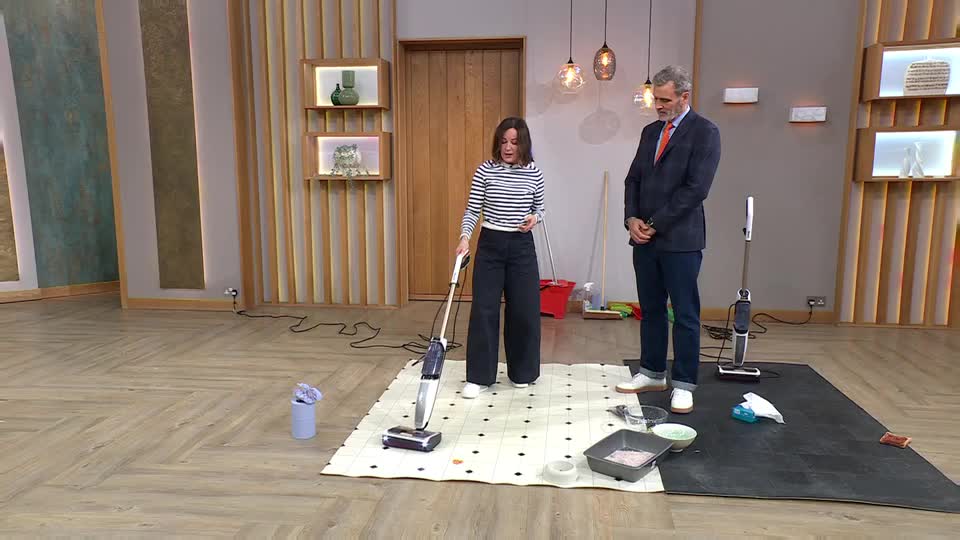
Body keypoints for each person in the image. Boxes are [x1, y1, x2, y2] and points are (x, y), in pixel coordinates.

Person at [616, 65, 721, 414]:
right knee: (651, 310)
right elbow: (633, 179)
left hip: (681, 240)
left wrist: (654, 223)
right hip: (644, 239)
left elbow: (696, 189)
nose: (658, 106)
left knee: (685, 313)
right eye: (655, 100)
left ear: (684, 97)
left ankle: (684, 384)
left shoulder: (705, 132)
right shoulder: (650, 132)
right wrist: (632, 219)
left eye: (664, 100)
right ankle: (651, 372)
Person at [456, 117, 545, 399]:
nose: (508, 147)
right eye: (504, 141)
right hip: (490, 245)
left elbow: (540, 209)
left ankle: (522, 373)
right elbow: (472, 210)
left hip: (521, 246)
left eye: (514, 142)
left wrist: (535, 219)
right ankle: (479, 377)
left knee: (524, 310)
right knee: (484, 310)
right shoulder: (485, 170)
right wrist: (464, 238)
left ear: (523, 144)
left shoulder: (534, 173)